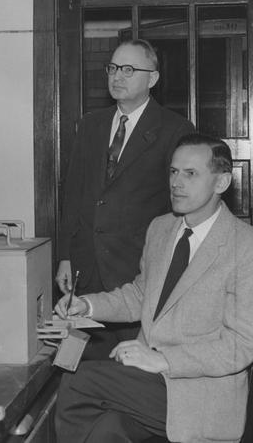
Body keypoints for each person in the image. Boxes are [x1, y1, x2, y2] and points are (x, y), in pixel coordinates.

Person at [54, 133, 253, 443]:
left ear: (221, 182)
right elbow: (140, 296)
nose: (177, 182)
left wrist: (163, 360)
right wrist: (87, 305)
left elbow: (241, 345)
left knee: (77, 381)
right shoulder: (161, 228)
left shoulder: (245, 246)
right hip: (146, 382)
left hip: (197, 395)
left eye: (190, 174)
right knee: (105, 432)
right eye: (174, 172)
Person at [56, 39, 195, 357]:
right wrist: (65, 254)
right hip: (86, 267)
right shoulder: (90, 126)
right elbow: (73, 194)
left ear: (153, 79)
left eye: (129, 69)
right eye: (114, 68)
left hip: (136, 272)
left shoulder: (175, 130)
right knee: (79, 368)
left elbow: (181, 206)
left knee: (129, 373)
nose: (118, 76)